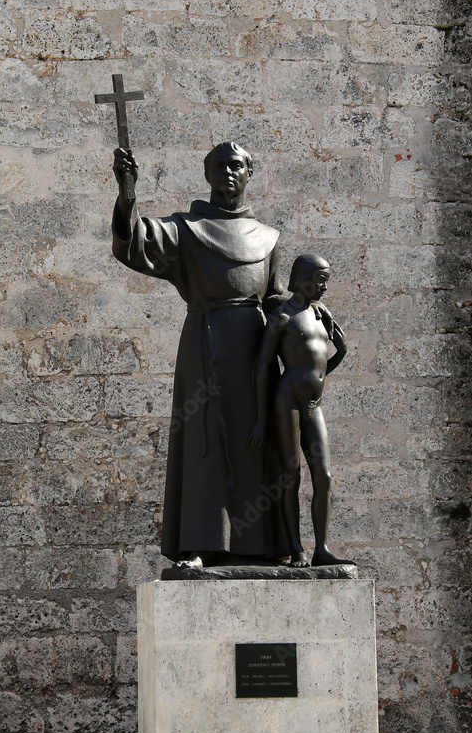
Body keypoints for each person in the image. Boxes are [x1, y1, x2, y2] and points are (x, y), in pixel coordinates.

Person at [112, 141, 288, 568]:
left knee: (257, 443)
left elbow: (274, 298)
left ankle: (264, 546)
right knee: (203, 443)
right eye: (219, 166)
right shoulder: (185, 229)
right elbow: (135, 244)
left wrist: (308, 317)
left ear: (249, 173)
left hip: (255, 355)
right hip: (205, 348)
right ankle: (202, 543)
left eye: (236, 166)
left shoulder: (268, 238)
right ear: (207, 175)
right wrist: (128, 194)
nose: (228, 172)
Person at [248, 254, 349, 567]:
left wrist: (342, 351)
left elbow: (319, 369)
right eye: (320, 280)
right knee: (291, 475)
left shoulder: (321, 313)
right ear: (303, 279)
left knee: (324, 476)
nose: (324, 287)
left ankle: (321, 548)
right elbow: (262, 366)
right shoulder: (281, 317)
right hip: (287, 400)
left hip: (314, 404)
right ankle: (296, 549)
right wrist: (262, 418)